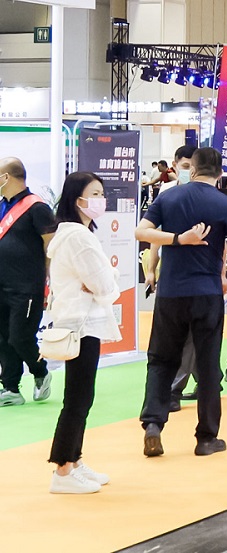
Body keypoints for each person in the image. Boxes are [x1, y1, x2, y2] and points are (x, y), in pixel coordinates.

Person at [136, 147, 227, 457]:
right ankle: (206, 438)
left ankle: (153, 423)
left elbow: (141, 232)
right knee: (208, 365)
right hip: (207, 293)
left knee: (161, 359)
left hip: (170, 292)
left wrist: (175, 239)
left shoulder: (169, 197)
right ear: (220, 173)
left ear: (192, 169)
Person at [47, 172, 122, 494]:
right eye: (95, 194)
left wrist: (105, 279)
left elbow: (101, 283)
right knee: (77, 399)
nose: (100, 200)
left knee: (81, 397)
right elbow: (104, 286)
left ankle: (74, 460)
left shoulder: (74, 234)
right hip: (81, 325)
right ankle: (63, 469)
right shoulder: (78, 237)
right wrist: (109, 278)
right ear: (77, 199)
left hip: (80, 323)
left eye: (102, 193)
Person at [143, 144, 201, 412]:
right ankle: (206, 381)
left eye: (194, 166)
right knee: (180, 334)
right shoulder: (166, 193)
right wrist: (150, 270)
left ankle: (175, 389)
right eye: (185, 166)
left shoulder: (206, 193)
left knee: (192, 334)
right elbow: (154, 235)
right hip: (171, 271)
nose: (190, 171)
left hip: (200, 272)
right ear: (175, 165)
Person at [0, 157, 55, 407]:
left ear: (6, 177)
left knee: (19, 337)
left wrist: (48, 278)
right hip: (2, 284)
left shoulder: (37, 208)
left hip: (27, 287)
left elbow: (51, 245)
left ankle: (41, 371)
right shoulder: (2, 205)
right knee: (3, 338)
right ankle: (11, 388)